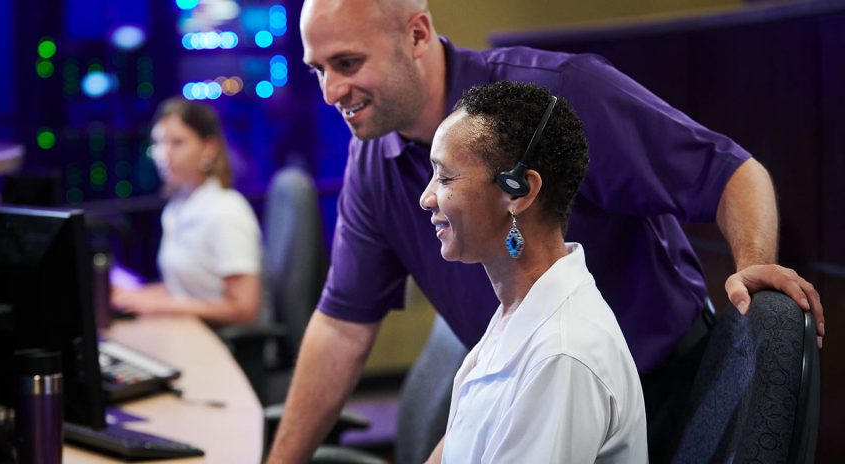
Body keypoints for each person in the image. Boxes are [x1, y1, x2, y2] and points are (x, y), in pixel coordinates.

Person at [268, 0, 825, 461]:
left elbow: (732, 173)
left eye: (347, 63)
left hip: (661, 388)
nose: (330, 90)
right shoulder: (374, 160)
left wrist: (753, 262)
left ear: (416, 35)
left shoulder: (556, 100)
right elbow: (341, 327)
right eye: (317, 69)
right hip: (521, 382)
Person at [421, 80, 646, 463]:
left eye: (444, 178)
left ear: (518, 191)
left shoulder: (562, 355)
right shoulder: (520, 310)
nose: (426, 198)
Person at [111, 97, 262, 326]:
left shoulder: (226, 210)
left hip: (220, 340)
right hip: (190, 330)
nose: (164, 154)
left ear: (209, 148)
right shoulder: (177, 208)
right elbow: (183, 291)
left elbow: (245, 310)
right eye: (158, 143)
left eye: (177, 143)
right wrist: (135, 296)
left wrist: (157, 305)